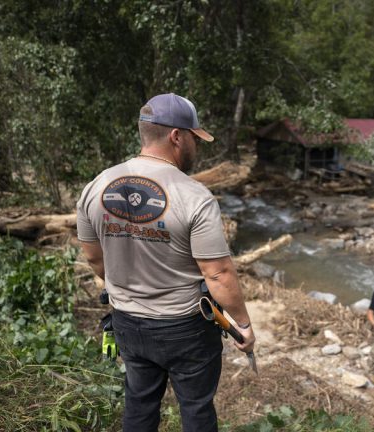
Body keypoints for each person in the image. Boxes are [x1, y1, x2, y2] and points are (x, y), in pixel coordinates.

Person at [76, 93, 255, 432]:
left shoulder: (95, 186)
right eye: (194, 138)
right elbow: (216, 272)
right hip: (185, 330)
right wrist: (242, 325)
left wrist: (126, 290)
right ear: (176, 136)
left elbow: (93, 257)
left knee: (139, 406)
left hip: (127, 323)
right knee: (197, 411)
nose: (196, 147)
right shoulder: (194, 195)